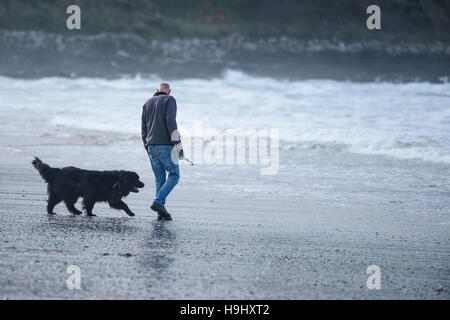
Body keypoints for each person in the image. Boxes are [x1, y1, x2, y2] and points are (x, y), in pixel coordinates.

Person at [141, 82, 184, 221]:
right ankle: (159, 202)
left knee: (160, 178)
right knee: (174, 174)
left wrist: (146, 146)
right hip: (165, 145)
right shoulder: (169, 99)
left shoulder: (147, 103)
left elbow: (143, 128)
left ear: (156, 90)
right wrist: (178, 144)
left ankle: (160, 212)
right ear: (169, 91)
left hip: (151, 145)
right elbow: (171, 121)